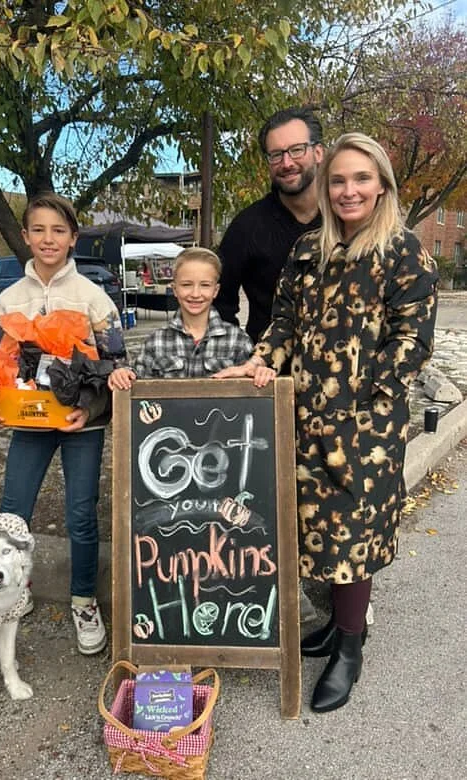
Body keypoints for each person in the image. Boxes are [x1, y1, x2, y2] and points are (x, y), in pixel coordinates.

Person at [214, 133, 439, 712]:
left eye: (361, 179)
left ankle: (350, 648)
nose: (348, 190)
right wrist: (260, 364)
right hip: (301, 417)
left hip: (365, 429)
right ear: (325, 184)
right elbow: (283, 321)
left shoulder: (405, 252)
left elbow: (411, 342)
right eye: (338, 180)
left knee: (350, 538)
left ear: (382, 184)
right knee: (311, 528)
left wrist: (368, 409)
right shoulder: (308, 248)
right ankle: (343, 626)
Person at [0, 192, 127, 656]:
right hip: (28, 422)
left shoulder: (93, 297)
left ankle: (84, 601)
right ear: (25, 236)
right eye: (39, 230)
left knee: (81, 517)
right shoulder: (9, 298)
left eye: (59, 231)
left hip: (79, 424)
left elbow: (116, 365)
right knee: (12, 512)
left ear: (73, 239)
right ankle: (15, 589)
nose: (49, 239)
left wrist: (89, 410)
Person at [215, 106, 324, 343]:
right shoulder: (247, 227)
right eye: (276, 154)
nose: (286, 163)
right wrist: (240, 355)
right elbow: (218, 302)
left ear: (318, 152)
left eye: (297, 150)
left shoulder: (345, 218)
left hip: (340, 369)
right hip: (268, 371)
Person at [108, 247, 268, 388]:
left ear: (216, 290)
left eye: (205, 285)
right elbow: (136, 380)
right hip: (170, 422)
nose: (195, 294)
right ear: (174, 289)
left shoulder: (238, 341)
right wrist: (123, 374)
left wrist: (261, 373)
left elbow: (252, 390)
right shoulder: (156, 342)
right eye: (186, 285)